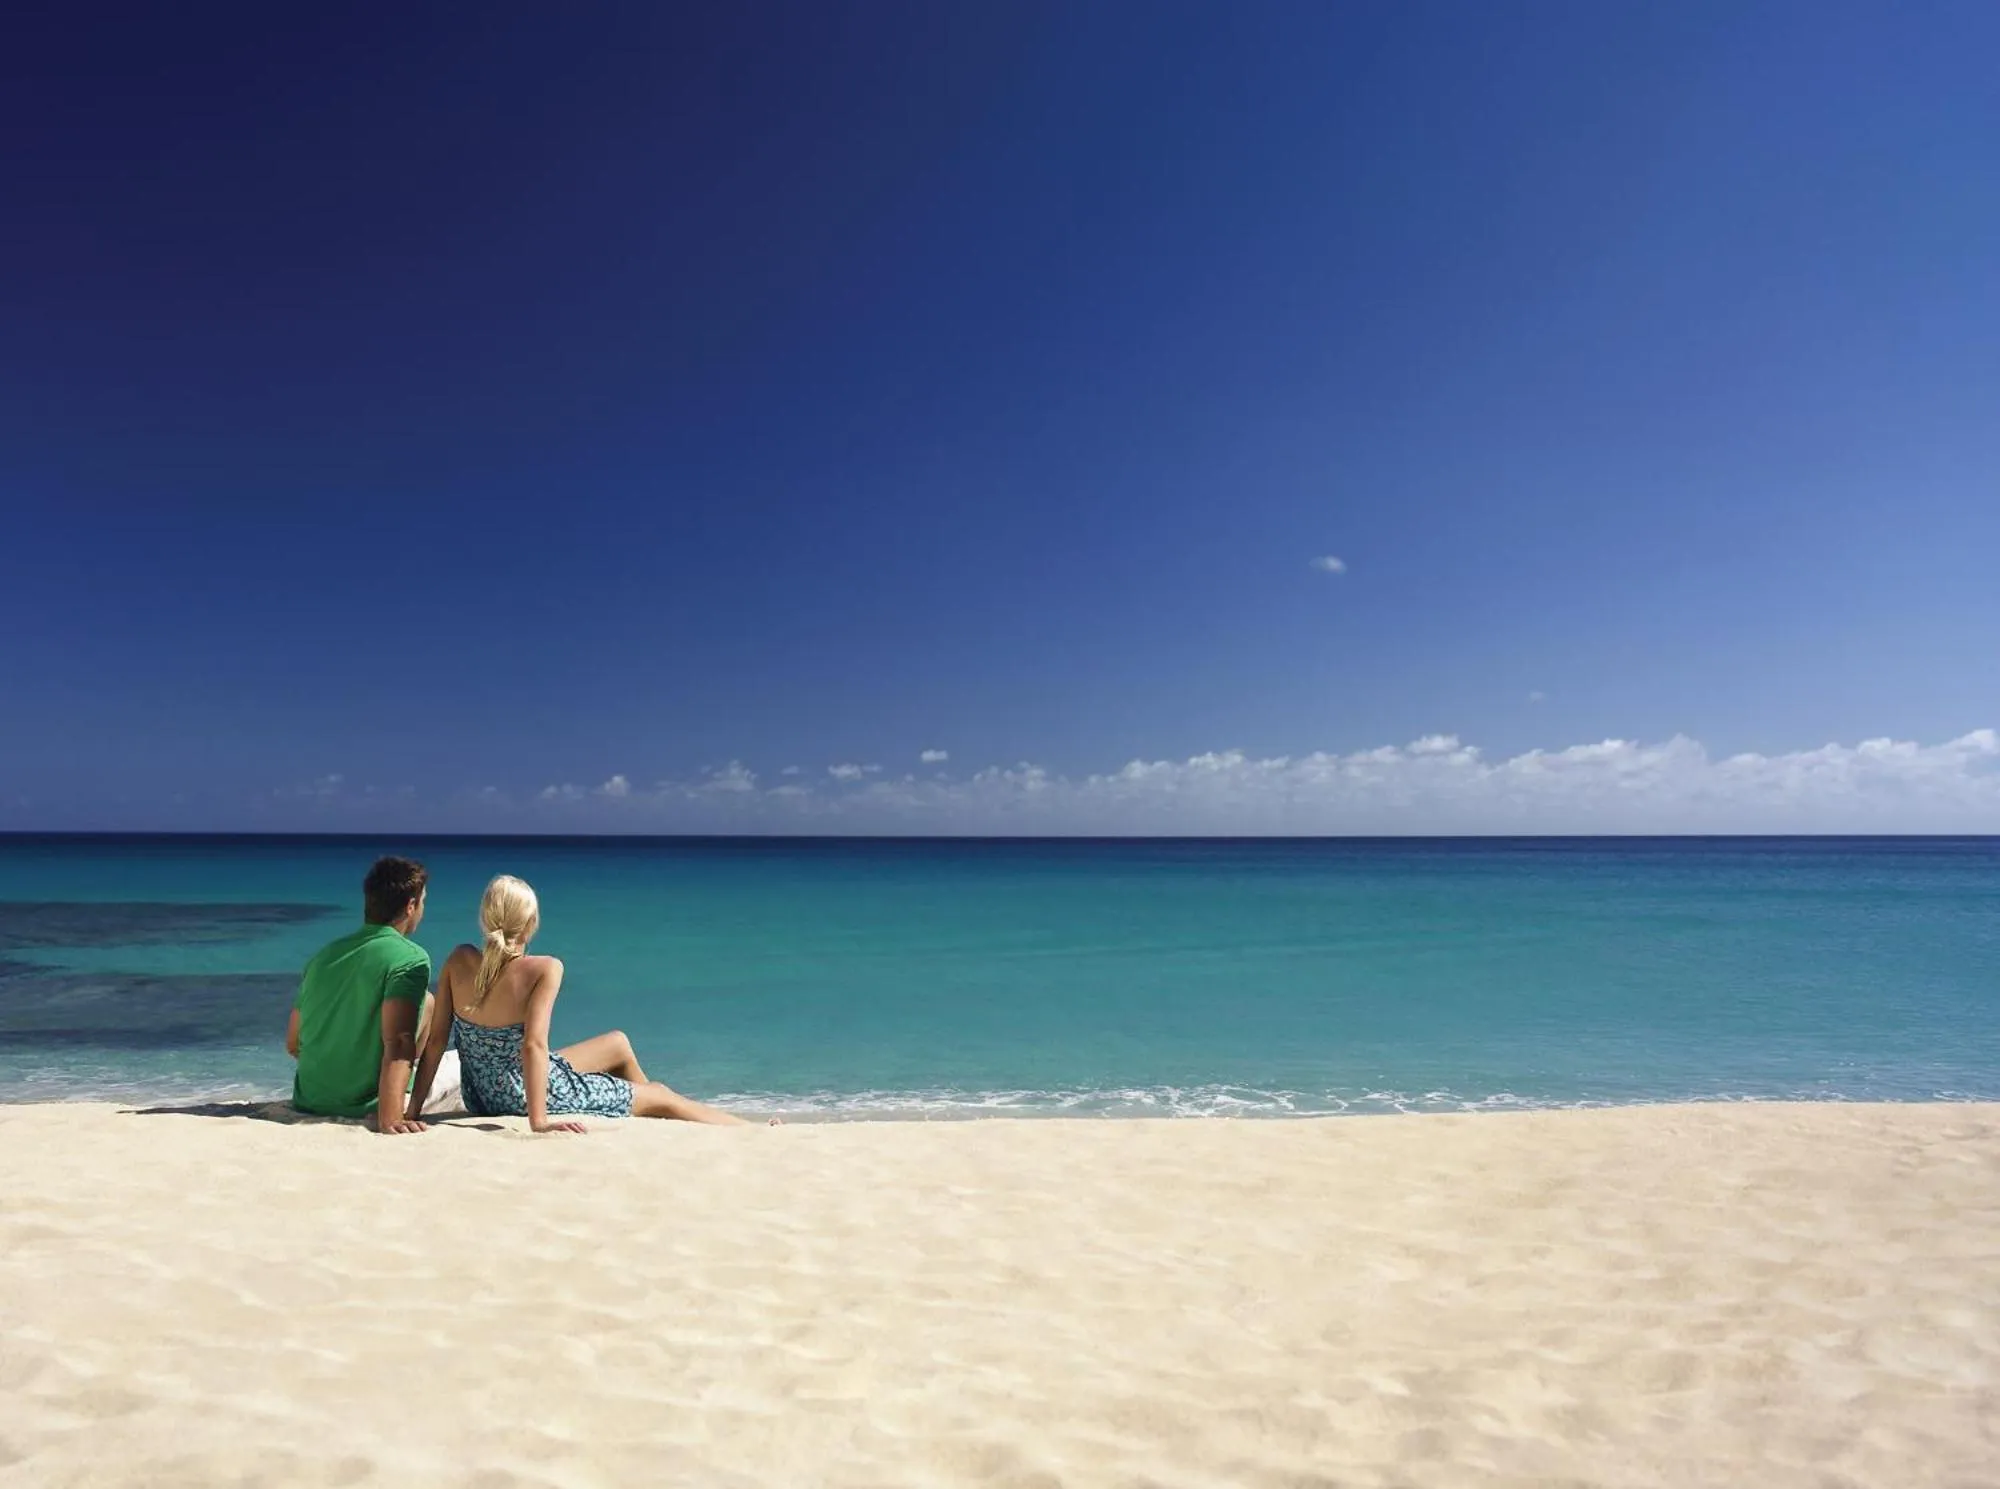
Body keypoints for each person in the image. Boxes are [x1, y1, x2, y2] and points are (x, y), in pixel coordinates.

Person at [408, 874, 771, 1130]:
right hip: (523, 1095)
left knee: (617, 1043)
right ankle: (748, 1129)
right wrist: (539, 1121)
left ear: (485, 919)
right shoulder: (544, 969)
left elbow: (436, 1042)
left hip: (481, 1093)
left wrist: (413, 1110)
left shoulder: (459, 959)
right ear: (531, 923)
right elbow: (533, 1046)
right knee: (660, 1093)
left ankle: (644, 1108)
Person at [287, 855, 433, 1133]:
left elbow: (293, 1043)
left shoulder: (323, 957)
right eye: (423, 902)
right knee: (428, 1003)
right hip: (368, 1105)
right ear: (411, 906)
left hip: (309, 1100)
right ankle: (398, 1098)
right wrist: (391, 1119)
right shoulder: (411, 958)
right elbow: (400, 1039)